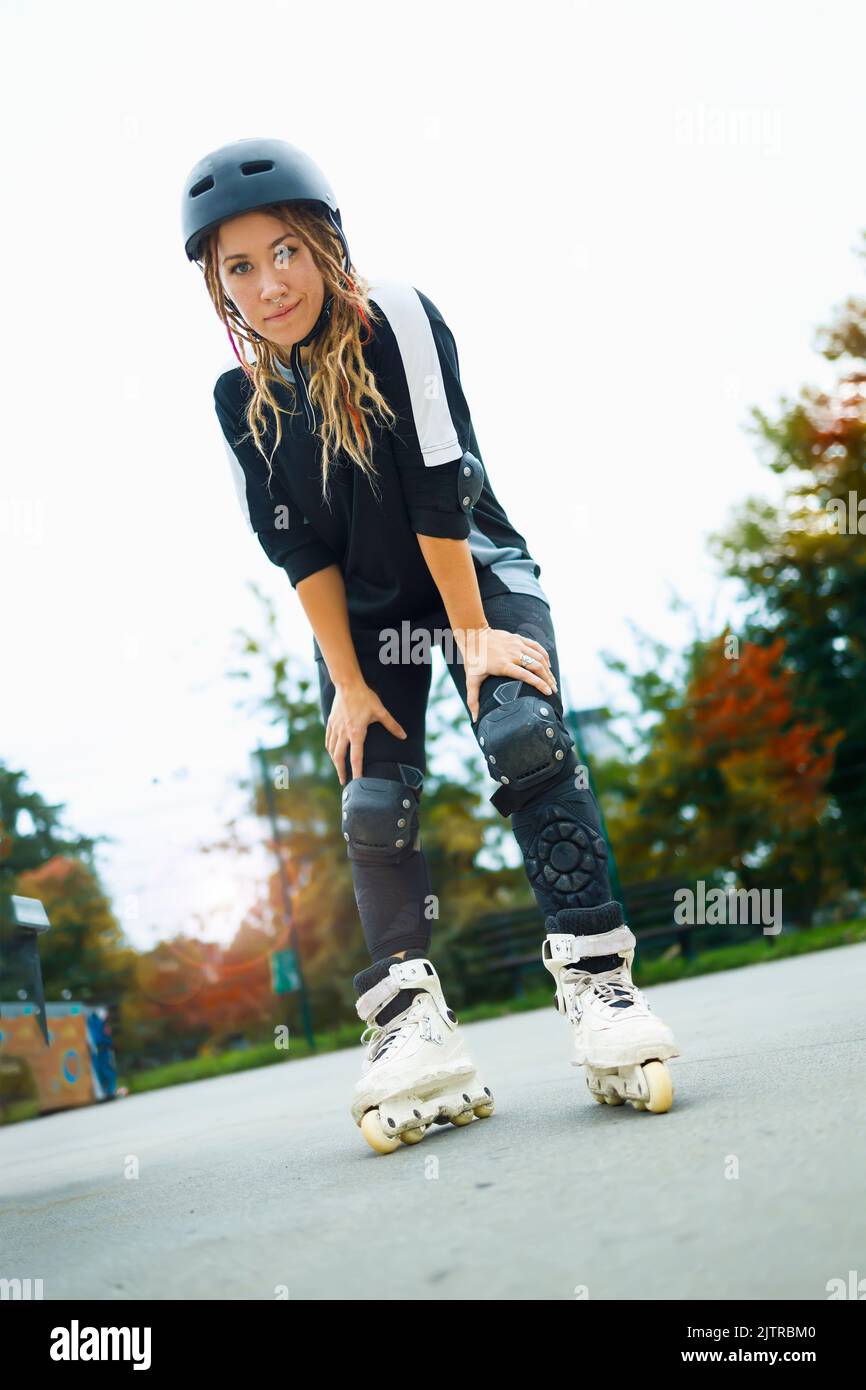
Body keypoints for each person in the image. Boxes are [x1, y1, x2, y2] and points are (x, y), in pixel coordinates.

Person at [180, 138, 680, 1153]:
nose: (268, 283)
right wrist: (350, 687)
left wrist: (473, 638)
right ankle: (409, 1021)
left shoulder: (392, 317)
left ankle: (599, 986)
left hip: (473, 571)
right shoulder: (240, 403)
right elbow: (304, 555)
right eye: (239, 267)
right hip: (364, 618)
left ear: (324, 244)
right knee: (370, 789)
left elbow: (434, 481)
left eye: (284, 252)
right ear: (215, 283)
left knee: (521, 731)